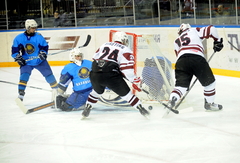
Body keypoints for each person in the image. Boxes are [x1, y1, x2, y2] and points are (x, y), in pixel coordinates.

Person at [81, 31, 150, 118]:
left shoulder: (104, 44)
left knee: (96, 92)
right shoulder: (125, 50)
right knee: (128, 95)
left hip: (95, 74)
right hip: (111, 76)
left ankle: (87, 108)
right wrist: (135, 81)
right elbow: (127, 69)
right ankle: (143, 111)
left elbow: (95, 58)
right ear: (124, 40)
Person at [167, 23, 224, 111]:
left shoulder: (176, 40)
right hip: (196, 58)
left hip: (181, 62)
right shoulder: (194, 31)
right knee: (210, 83)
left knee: (180, 86)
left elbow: (178, 55)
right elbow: (212, 29)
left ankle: (172, 101)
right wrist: (217, 41)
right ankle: (209, 104)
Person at [11, 19, 58, 102]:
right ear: (27, 27)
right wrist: (18, 58)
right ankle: (21, 95)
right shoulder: (19, 38)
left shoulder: (39, 36)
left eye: (35, 28)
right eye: (32, 28)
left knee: (49, 75)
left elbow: (44, 47)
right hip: (27, 61)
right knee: (24, 76)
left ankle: (57, 92)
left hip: (39, 61)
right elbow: (15, 51)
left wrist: (43, 53)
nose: (34, 29)